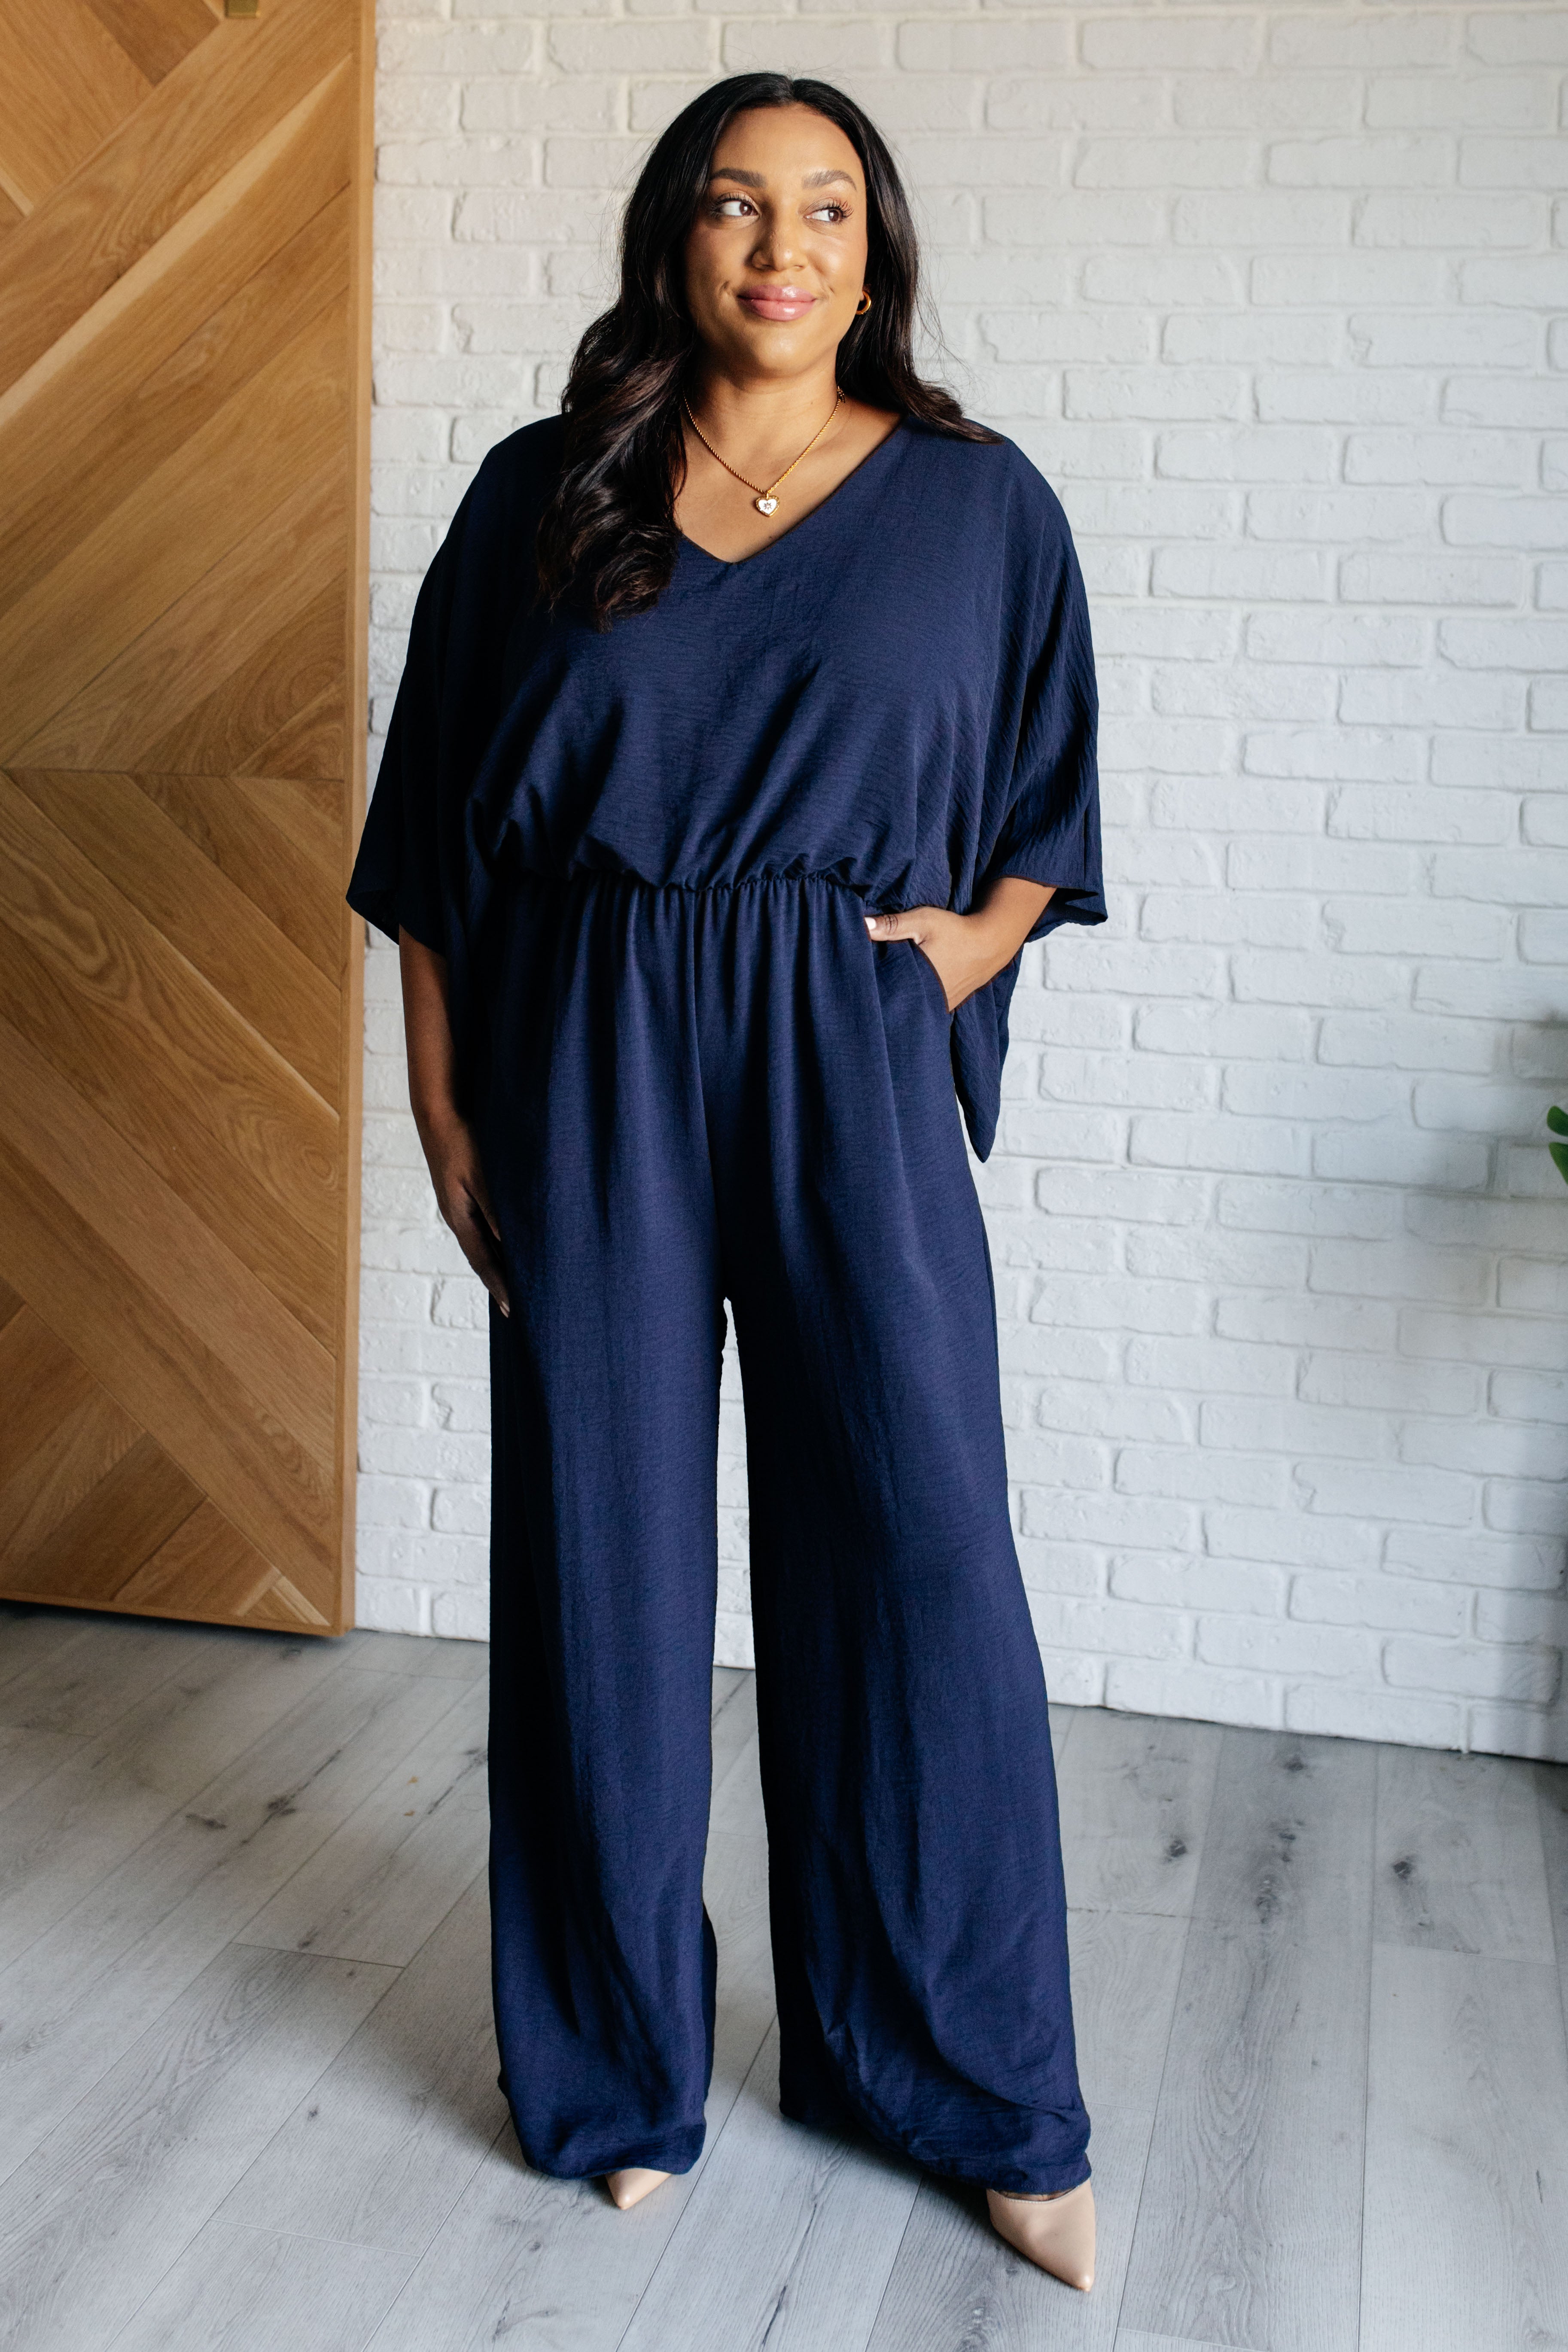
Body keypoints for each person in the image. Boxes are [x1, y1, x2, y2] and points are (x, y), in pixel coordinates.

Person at [347, 71, 1106, 2292]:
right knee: (604, 1558)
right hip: (582, 1040)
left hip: (839, 1047)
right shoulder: (544, 490)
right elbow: (436, 841)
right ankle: (615, 2066)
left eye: (827, 207)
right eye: (735, 203)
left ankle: (961, 2080)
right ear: (673, 238)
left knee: (920, 1553)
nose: (782, 247)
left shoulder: (978, 505)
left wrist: (945, 960)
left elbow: (1048, 808)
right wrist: (447, 1107)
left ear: (878, 250)